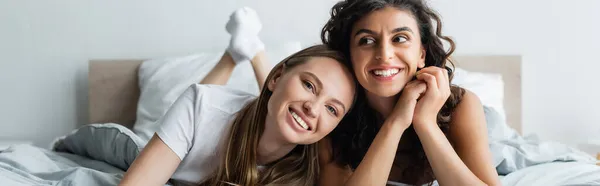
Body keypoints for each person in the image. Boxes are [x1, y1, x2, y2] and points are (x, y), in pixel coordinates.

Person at [119, 7, 356, 186]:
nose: (313, 108)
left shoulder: (312, 168)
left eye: (332, 109)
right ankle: (251, 52)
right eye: (309, 85)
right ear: (276, 77)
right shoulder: (202, 105)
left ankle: (244, 52)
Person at [319, 0, 501, 185]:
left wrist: (426, 123)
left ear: (421, 54)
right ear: (349, 55)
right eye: (367, 40)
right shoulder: (332, 113)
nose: (384, 54)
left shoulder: (461, 104)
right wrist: (396, 123)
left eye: (399, 38)